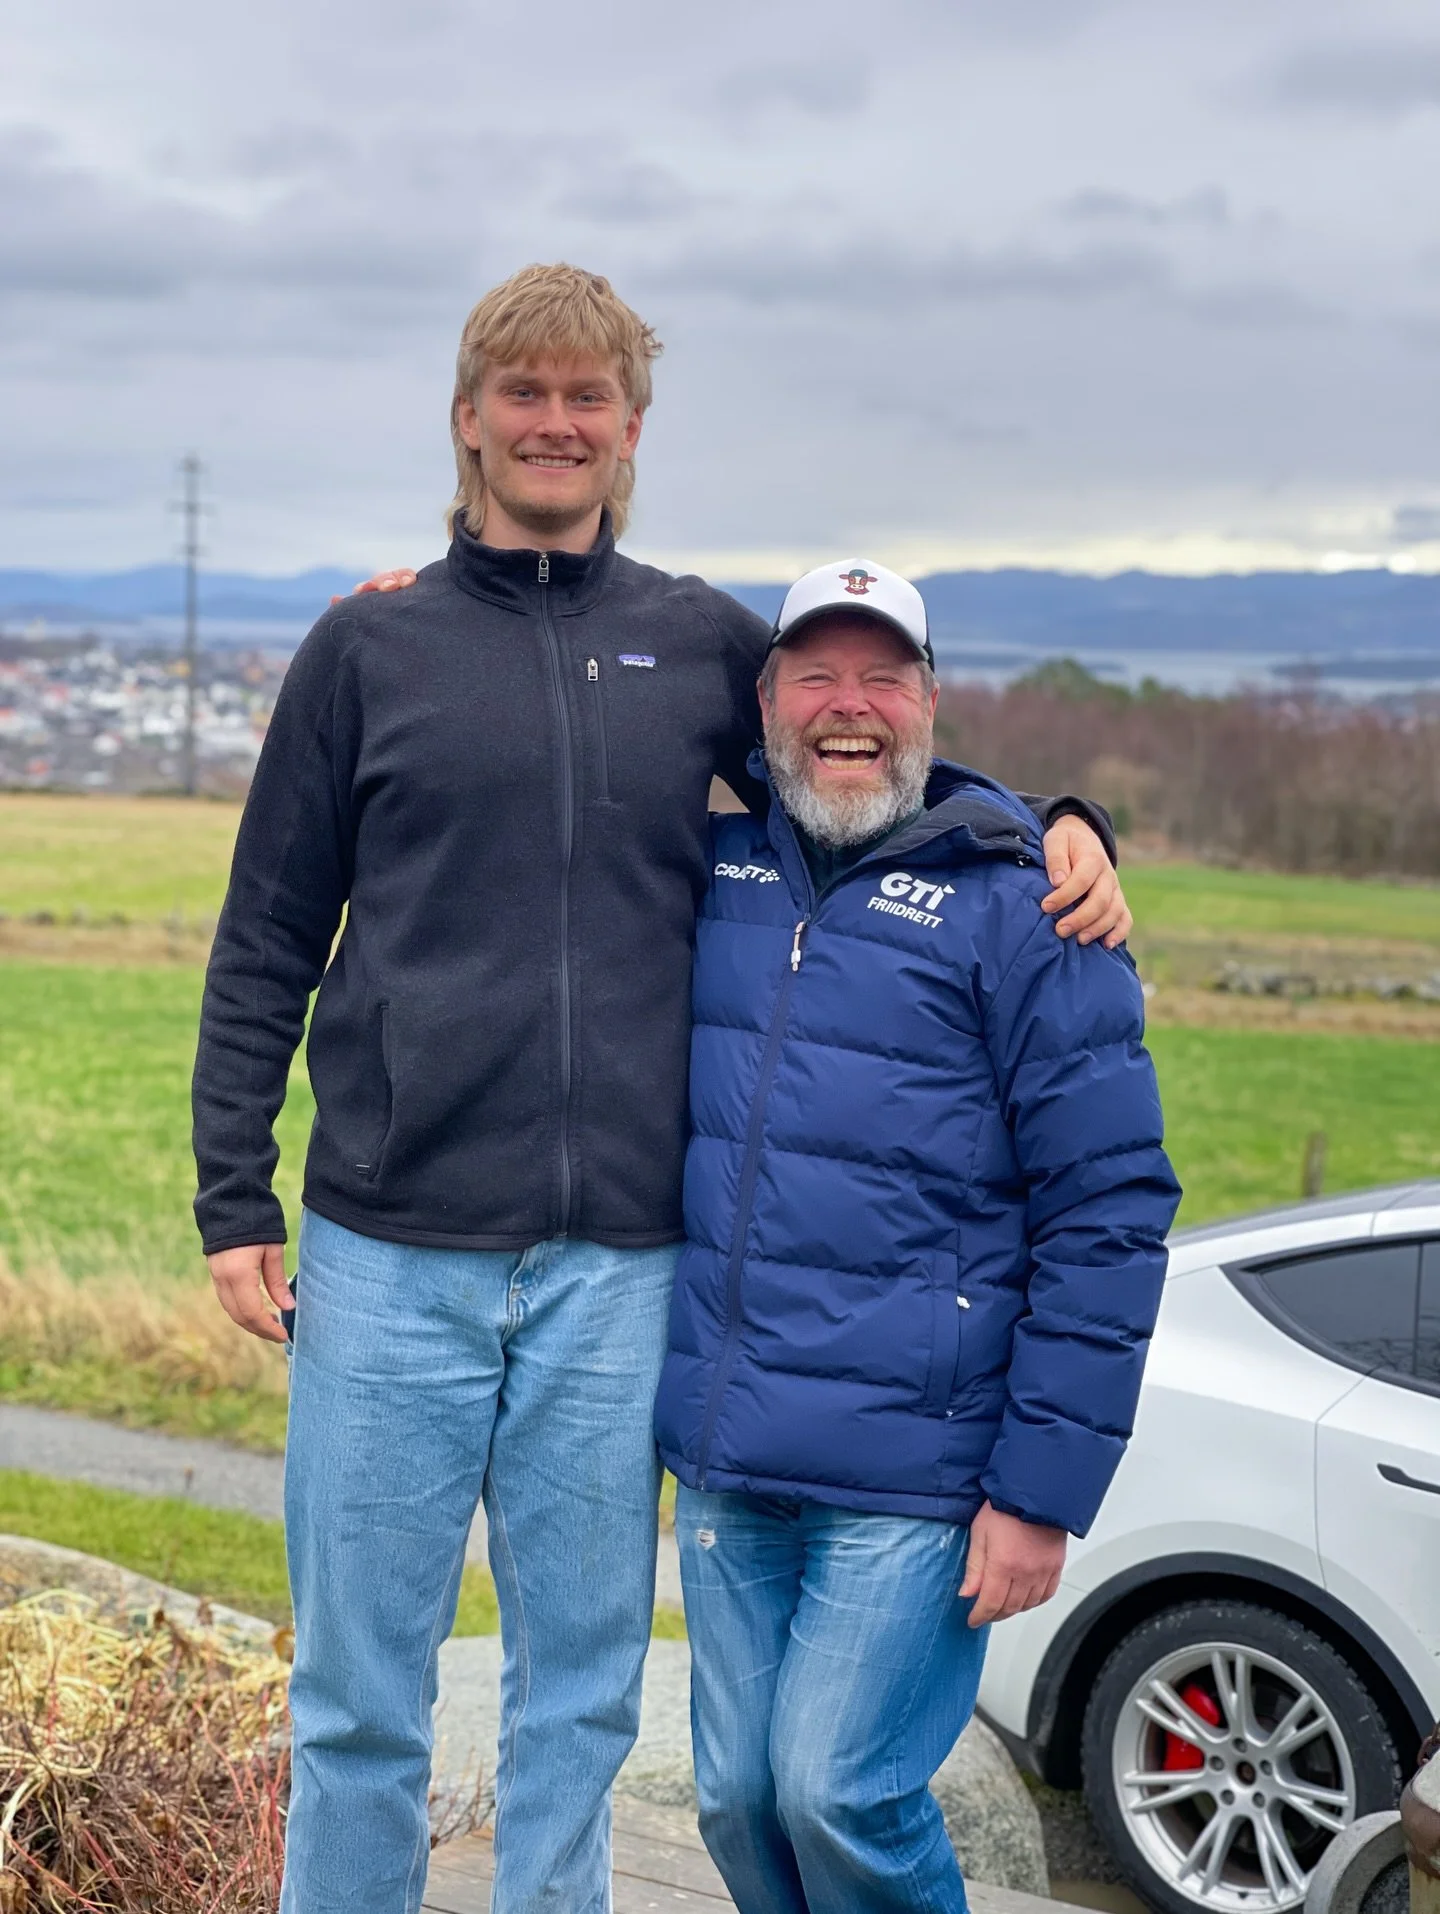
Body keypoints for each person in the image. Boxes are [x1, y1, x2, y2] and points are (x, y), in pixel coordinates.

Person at [191, 263, 1130, 1914]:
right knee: (356, 1700)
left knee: (579, 1697)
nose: (556, 422)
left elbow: (859, 734)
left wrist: (1053, 816)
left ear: (631, 432)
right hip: (389, 1254)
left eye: (589, 397)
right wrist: (230, 1197)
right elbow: (268, 927)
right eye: (524, 392)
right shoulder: (367, 644)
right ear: (469, 419)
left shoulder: (697, 638)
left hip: (618, 1275)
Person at [654, 560, 1182, 1913]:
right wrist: (423, 616)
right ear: (764, 699)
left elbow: (1111, 1209)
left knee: (839, 1790)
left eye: (883, 674)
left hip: (920, 1472)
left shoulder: (1031, 906)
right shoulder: (709, 866)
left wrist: (1041, 1491)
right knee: (733, 1796)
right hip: (731, 1453)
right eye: (816, 673)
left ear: (931, 700)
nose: (850, 706)